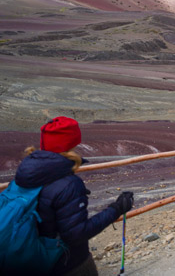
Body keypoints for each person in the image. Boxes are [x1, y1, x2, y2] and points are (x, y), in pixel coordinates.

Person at [11, 116, 134, 276]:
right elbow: (77, 234)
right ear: (69, 145)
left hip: (32, 258)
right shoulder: (68, 184)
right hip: (68, 263)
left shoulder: (25, 174)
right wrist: (116, 209)